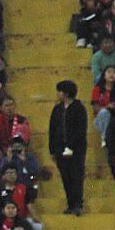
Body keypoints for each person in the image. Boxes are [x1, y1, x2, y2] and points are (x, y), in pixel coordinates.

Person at [47, 80, 86, 215]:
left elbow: (81, 130)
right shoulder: (57, 109)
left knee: (76, 176)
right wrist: (52, 149)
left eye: (59, 91)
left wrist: (72, 147)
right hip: (59, 149)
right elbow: (52, 129)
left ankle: (78, 204)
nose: (57, 94)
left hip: (76, 150)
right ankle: (70, 204)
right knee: (65, 177)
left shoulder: (78, 108)